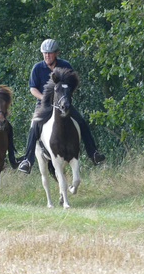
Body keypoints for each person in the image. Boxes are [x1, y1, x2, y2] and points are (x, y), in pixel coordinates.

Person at [17, 39, 105, 174]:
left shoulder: (65, 65)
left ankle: (93, 153)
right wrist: (45, 98)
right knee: (34, 126)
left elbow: (73, 84)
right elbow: (32, 89)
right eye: (45, 53)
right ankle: (27, 160)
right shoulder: (37, 68)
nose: (47, 56)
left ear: (56, 53)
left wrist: (65, 97)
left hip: (63, 103)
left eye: (50, 53)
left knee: (81, 121)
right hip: (44, 104)